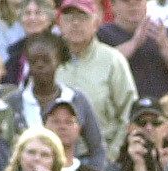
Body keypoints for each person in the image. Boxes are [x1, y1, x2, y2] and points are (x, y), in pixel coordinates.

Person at [56, 0, 138, 159]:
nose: (75, 23)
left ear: (96, 23)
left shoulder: (112, 60)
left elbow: (129, 112)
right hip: (55, 158)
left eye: (83, 17)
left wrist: (111, 156)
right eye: (68, 17)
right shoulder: (50, 60)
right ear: (59, 23)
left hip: (100, 157)